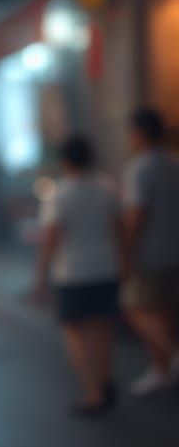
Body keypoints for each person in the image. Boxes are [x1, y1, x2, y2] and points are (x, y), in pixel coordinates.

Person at [31, 136, 122, 416]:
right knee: (102, 328)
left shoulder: (60, 195)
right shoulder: (107, 188)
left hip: (73, 272)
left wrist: (40, 278)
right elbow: (118, 229)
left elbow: (51, 240)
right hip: (106, 267)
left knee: (74, 332)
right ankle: (105, 380)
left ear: (65, 161)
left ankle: (93, 392)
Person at [121, 108, 179, 396]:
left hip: (149, 253)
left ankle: (170, 356)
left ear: (140, 134)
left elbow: (137, 214)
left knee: (136, 306)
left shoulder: (140, 168)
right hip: (173, 248)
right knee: (164, 310)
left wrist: (126, 251)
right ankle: (161, 368)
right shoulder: (173, 162)